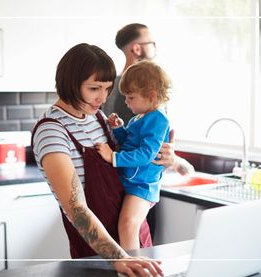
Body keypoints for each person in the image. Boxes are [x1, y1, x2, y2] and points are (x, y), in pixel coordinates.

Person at [31, 43, 163, 277]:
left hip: (135, 240)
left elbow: (132, 158)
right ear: (71, 83)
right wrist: (119, 257)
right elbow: (76, 208)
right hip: (100, 258)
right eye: (94, 89)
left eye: (107, 89)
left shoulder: (98, 118)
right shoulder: (52, 131)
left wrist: (167, 157)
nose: (102, 98)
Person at [96, 60, 171, 251]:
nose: (127, 102)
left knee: (128, 225)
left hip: (142, 186)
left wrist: (113, 157)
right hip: (132, 182)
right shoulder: (141, 117)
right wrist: (119, 129)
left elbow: (146, 154)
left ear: (152, 96)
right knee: (126, 226)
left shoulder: (158, 119)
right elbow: (129, 144)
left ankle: (132, 267)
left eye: (130, 97)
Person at [102, 22, 194, 176]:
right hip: (138, 176)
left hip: (127, 173)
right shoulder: (139, 96)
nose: (155, 48)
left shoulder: (111, 87)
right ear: (137, 48)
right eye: (151, 43)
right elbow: (137, 146)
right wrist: (176, 162)